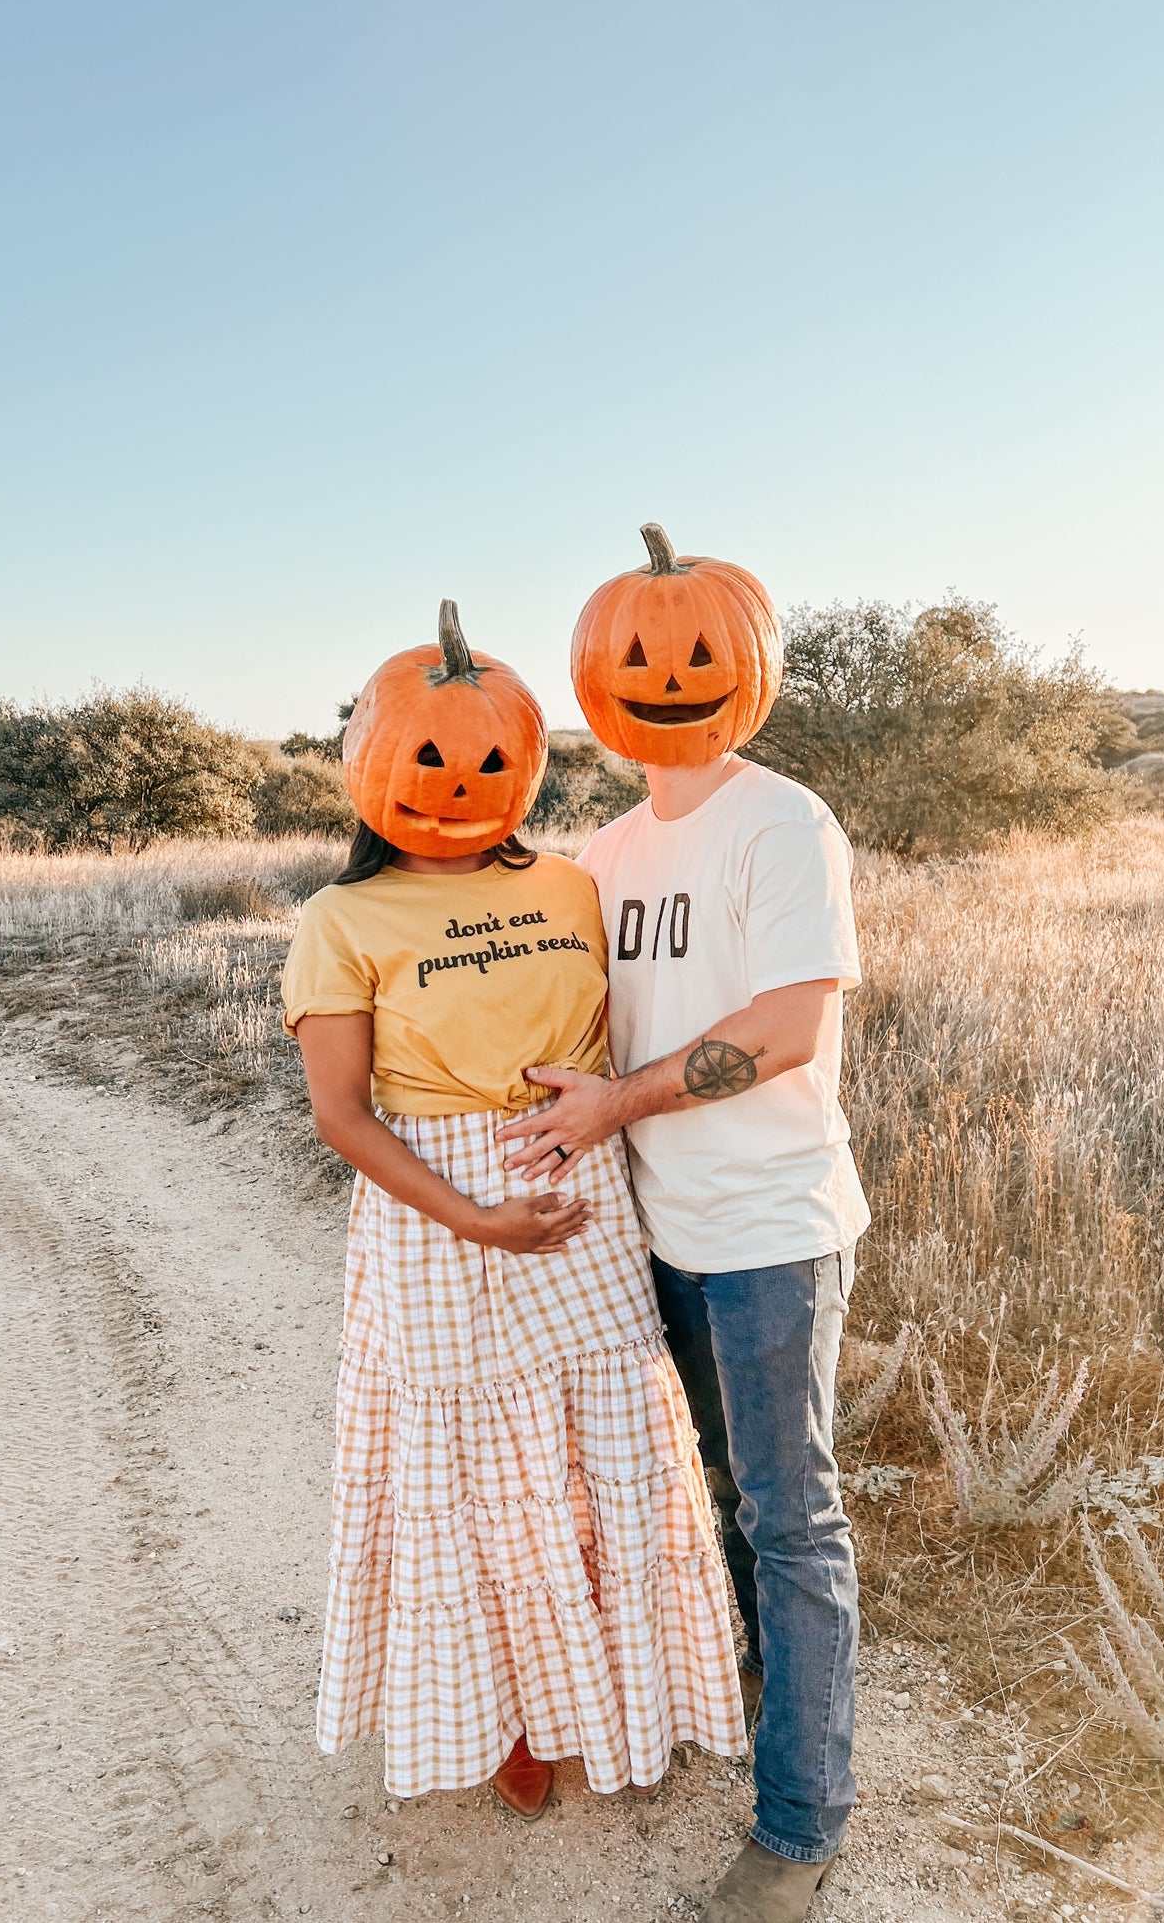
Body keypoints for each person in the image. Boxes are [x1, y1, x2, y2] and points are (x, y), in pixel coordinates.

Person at [282, 601, 745, 1822]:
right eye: (431, 758)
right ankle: (510, 1717)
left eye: (490, 759)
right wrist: (473, 1217)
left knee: (606, 1456)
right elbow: (342, 1113)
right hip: (438, 1213)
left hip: (579, 1191)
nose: (460, 783)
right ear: (371, 765)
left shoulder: (574, 882)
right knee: (470, 1472)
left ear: (528, 762)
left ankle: (619, 1688)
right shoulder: (338, 923)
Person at [499, 528, 869, 1921]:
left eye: (694, 654)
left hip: (770, 1226)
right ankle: (756, 1690)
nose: (666, 677)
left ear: (746, 666)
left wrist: (617, 1104)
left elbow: (782, 1025)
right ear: (598, 682)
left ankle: (798, 1824)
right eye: (641, 659)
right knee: (710, 1493)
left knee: (790, 1517)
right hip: (654, 1229)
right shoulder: (602, 846)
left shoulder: (781, 819)